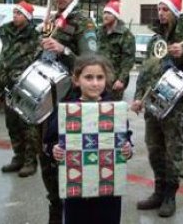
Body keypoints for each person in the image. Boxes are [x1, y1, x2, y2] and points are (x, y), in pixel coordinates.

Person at [131, 0, 183, 217]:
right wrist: (137, 96)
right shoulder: (156, 40)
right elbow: (145, 71)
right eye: (159, 10)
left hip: (179, 106)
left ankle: (170, 196)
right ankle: (158, 191)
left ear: (175, 12)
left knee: (172, 153)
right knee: (154, 150)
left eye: (165, 10)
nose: (161, 14)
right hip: (154, 104)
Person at [39, 0, 98, 223]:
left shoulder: (83, 22)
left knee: (72, 165)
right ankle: (55, 211)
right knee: (48, 160)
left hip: (73, 103)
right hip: (48, 102)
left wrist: (63, 50)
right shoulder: (50, 21)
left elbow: (92, 65)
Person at [44, 54, 132, 224]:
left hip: (108, 189)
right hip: (76, 188)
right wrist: (54, 150)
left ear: (106, 80)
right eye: (88, 77)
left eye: (100, 77)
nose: (95, 83)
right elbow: (50, 142)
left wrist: (128, 149)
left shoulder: (115, 110)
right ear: (76, 80)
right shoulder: (66, 111)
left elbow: (125, 138)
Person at [0, 1, 40, 177]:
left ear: (27, 17)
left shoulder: (34, 37)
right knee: (12, 124)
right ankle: (18, 157)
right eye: (14, 13)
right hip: (7, 87)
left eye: (19, 13)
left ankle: (30, 161)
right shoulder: (7, 34)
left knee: (27, 126)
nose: (15, 16)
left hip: (25, 87)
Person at [97, 0, 135, 101]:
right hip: (98, 79)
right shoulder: (99, 32)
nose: (105, 16)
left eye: (109, 13)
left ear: (115, 16)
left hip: (114, 82)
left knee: (112, 112)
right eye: (104, 13)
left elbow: (128, 60)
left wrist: (121, 80)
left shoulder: (125, 34)